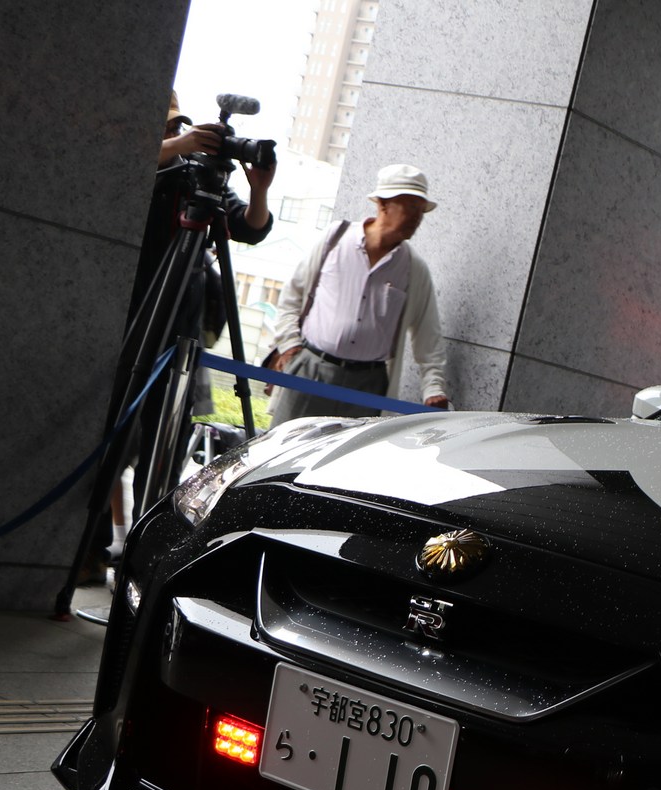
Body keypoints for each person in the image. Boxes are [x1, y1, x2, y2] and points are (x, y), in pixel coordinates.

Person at [110, 93, 275, 559]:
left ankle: (146, 549)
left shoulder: (198, 176)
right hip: (135, 312)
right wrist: (178, 143)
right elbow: (123, 164)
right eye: (167, 130)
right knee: (113, 438)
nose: (176, 137)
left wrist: (259, 186)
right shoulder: (160, 171)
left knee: (169, 438)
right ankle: (91, 552)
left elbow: (250, 226)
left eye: (179, 128)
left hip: (180, 327)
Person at [265, 163, 451, 421]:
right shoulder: (335, 239)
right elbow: (291, 296)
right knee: (284, 452)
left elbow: (428, 335)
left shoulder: (413, 268)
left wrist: (433, 387)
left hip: (369, 383)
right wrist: (290, 345)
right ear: (383, 204)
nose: (417, 217)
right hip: (311, 369)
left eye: (421, 211)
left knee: (349, 460)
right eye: (410, 207)